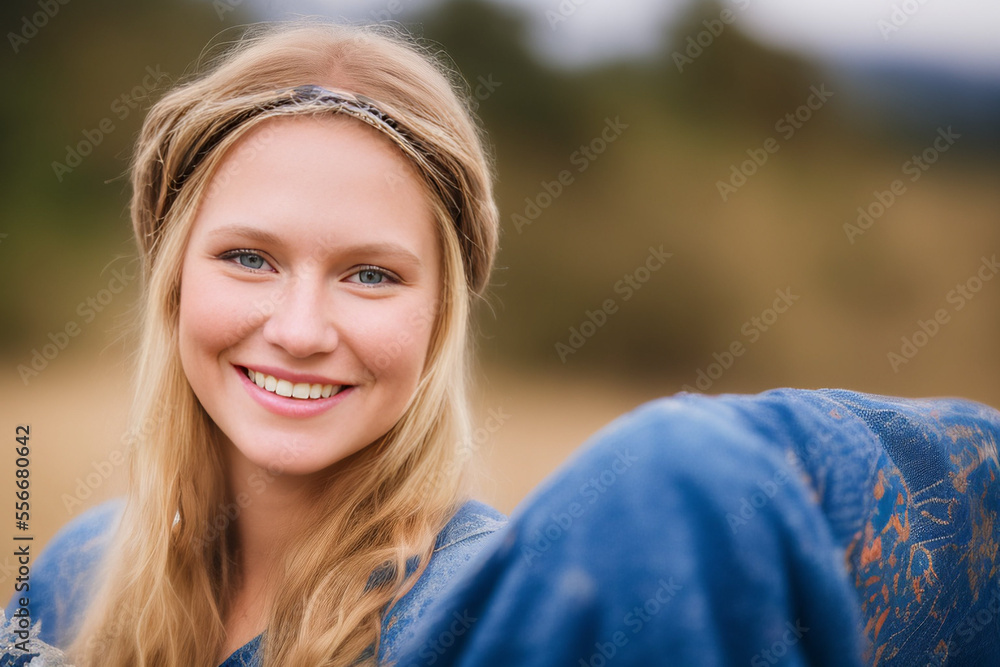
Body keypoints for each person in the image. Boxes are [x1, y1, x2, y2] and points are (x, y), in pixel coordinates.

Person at [4, 20, 506, 667]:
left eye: (372, 274)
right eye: (249, 257)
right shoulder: (74, 572)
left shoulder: (485, 612)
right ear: (175, 278)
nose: (299, 332)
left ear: (442, 312)